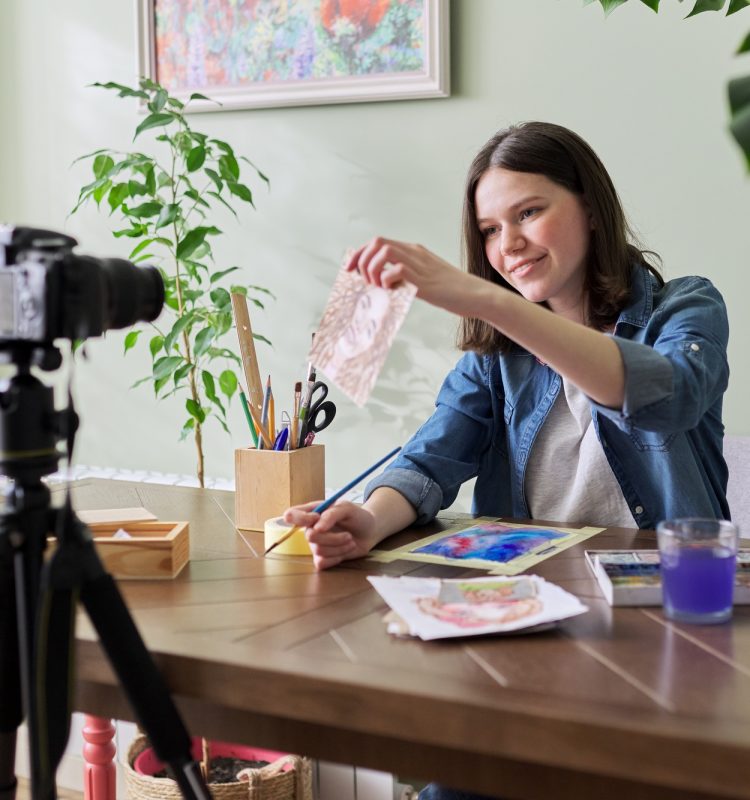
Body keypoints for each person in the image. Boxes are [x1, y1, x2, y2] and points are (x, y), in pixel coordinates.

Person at [283, 121, 730, 799]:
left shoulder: (687, 307)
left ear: (589, 206)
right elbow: (432, 457)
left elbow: (665, 397)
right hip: (532, 624)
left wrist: (486, 299)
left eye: (528, 213)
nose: (508, 245)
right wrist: (369, 521)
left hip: (668, 633)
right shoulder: (495, 359)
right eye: (490, 230)